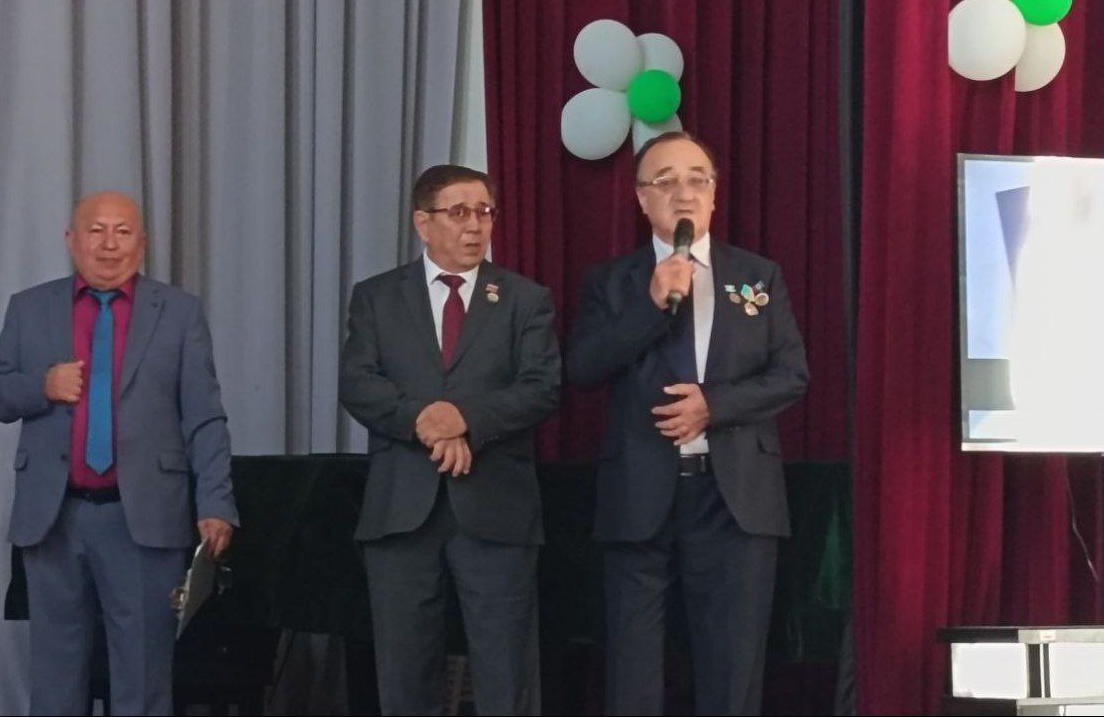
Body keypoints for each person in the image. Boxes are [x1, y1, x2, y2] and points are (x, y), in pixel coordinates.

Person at [567, 132, 808, 716]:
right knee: (633, 670)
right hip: (639, 491)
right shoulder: (611, 281)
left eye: (698, 179)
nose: (684, 193)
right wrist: (650, 305)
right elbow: (582, 369)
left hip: (734, 497)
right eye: (666, 181)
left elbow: (792, 376)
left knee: (732, 668)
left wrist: (713, 406)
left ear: (715, 194)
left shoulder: (758, 276)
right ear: (641, 198)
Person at [0, 191, 238, 716]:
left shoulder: (179, 312)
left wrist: (216, 502)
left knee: (143, 676)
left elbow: (205, 418)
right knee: (55, 677)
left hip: (143, 518)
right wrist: (40, 386)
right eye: (97, 230)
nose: (110, 244)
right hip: (54, 518)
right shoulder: (30, 307)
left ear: (142, 243)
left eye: (123, 231)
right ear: (72, 240)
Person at [339, 164, 561, 715]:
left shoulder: (524, 298)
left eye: (484, 212)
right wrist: (425, 420)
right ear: (423, 222)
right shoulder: (377, 297)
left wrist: (464, 419)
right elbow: (358, 383)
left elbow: (541, 387)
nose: (475, 225)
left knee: (505, 672)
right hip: (401, 512)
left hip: (496, 511)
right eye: (459, 212)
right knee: (405, 673)